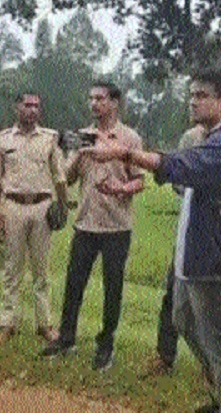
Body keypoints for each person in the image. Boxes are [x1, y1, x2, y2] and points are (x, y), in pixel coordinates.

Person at [90, 68, 221, 413]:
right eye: (192, 94)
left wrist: (123, 153)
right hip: (195, 254)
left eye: (202, 95)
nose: (193, 101)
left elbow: (178, 168)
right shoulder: (214, 139)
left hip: (214, 259)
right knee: (183, 321)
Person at [41, 82, 145, 370]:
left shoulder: (129, 139)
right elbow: (69, 178)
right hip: (85, 223)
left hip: (116, 227)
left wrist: (122, 188)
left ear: (114, 103)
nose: (94, 104)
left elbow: (140, 180)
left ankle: (106, 343)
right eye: (91, 98)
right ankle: (66, 338)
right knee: (74, 284)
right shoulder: (84, 137)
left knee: (113, 288)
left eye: (100, 98)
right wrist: (70, 155)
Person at [0, 92, 68, 347]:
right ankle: (7, 322)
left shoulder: (49, 138)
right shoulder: (2, 140)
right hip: (13, 206)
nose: (32, 110)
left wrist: (63, 205)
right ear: (17, 108)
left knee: (41, 271)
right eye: (27, 105)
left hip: (42, 207)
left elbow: (60, 176)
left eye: (36, 105)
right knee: (12, 269)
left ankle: (45, 323)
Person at [148, 124, 207, 376]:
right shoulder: (191, 138)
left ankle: (214, 363)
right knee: (173, 294)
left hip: (220, 233)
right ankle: (164, 354)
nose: (196, 102)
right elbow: (177, 177)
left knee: (212, 302)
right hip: (190, 226)